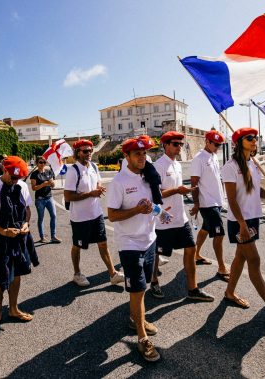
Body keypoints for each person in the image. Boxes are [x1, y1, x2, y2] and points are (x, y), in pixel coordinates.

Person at [221, 128, 265, 325]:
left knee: (240, 258)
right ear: (239, 142)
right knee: (254, 260)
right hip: (239, 221)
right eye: (249, 138)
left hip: (252, 219)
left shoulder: (253, 163)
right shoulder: (230, 166)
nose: (254, 140)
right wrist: (242, 224)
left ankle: (229, 292)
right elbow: (232, 200)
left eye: (256, 138)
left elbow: (257, 192)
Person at [107, 137, 161, 362]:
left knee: (144, 286)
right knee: (137, 290)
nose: (142, 157)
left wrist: (155, 209)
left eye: (145, 153)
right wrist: (137, 210)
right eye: (137, 154)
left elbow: (155, 203)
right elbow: (112, 215)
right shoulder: (118, 182)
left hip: (149, 239)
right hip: (129, 243)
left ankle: (135, 318)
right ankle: (141, 337)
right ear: (126, 156)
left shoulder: (149, 175)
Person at [149, 131, 214, 302]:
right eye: (176, 144)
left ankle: (193, 288)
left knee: (191, 249)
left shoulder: (177, 165)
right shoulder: (158, 166)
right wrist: (178, 190)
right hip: (164, 220)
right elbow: (156, 195)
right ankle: (154, 281)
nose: (179, 147)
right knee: (157, 253)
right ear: (166, 145)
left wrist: (188, 198)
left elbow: (178, 190)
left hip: (180, 218)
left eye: (181, 144)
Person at [0, 156, 37, 323]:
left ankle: (13, 309)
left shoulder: (22, 185)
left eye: (18, 178)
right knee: (2, 277)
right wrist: (3, 231)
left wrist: (26, 224)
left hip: (18, 237)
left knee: (17, 274)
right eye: (13, 177)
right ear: (4, 171)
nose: (15, 180)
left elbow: (27, 210)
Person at [64, 139, 124, 287]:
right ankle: (77, 274)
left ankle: (112, 274)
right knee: (77, 246)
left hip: (96, 214)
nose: (89, 153)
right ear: (77, 153)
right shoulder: (73, 171)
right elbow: (68, 196)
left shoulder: (94, 167)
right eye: (85, 151)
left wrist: (99, 188)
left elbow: (98, 182)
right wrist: (91, 193)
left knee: (103, 243)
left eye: (90, 151)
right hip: (80, 218)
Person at [190, 130, 229, 280]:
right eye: (216, 144)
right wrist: (196, 203)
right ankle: (221, 267)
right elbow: (193, 183)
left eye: (220, 145)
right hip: (208, 203)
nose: (218, 147)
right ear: (207, 141)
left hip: (217, 201)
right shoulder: (198, 159)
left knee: (205, 229)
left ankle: (196, 254)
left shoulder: (213, 156)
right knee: (219, 234)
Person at [30, 156, 60, 243]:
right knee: (41, 218)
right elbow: (33, 188)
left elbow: (52, 185)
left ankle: (53, 236)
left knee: (53, 215)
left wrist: (52, 184)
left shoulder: (48, 171)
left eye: (44, 162)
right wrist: (43, 184)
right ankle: (42, 237)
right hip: (40, 199)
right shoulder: (34, 174)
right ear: (37, 163)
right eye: (40, 162)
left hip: (49, 197)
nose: (42, 164)